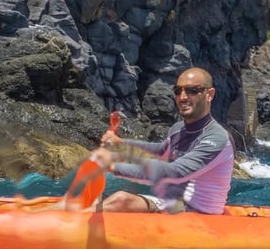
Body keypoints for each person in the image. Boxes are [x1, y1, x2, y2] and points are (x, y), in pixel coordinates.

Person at [91, 67, 234, 213]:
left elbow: (174, 173)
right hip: (173, 205)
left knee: (121, 200)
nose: (183, 97)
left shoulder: (217, 137)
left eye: (192, 90)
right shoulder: (177, 130)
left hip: (199, 213)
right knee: (97, 197)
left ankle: (70, 226)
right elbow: (161, 151)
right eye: (178, 91)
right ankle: (76, 220)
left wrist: (113, 167)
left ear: (209, 94)